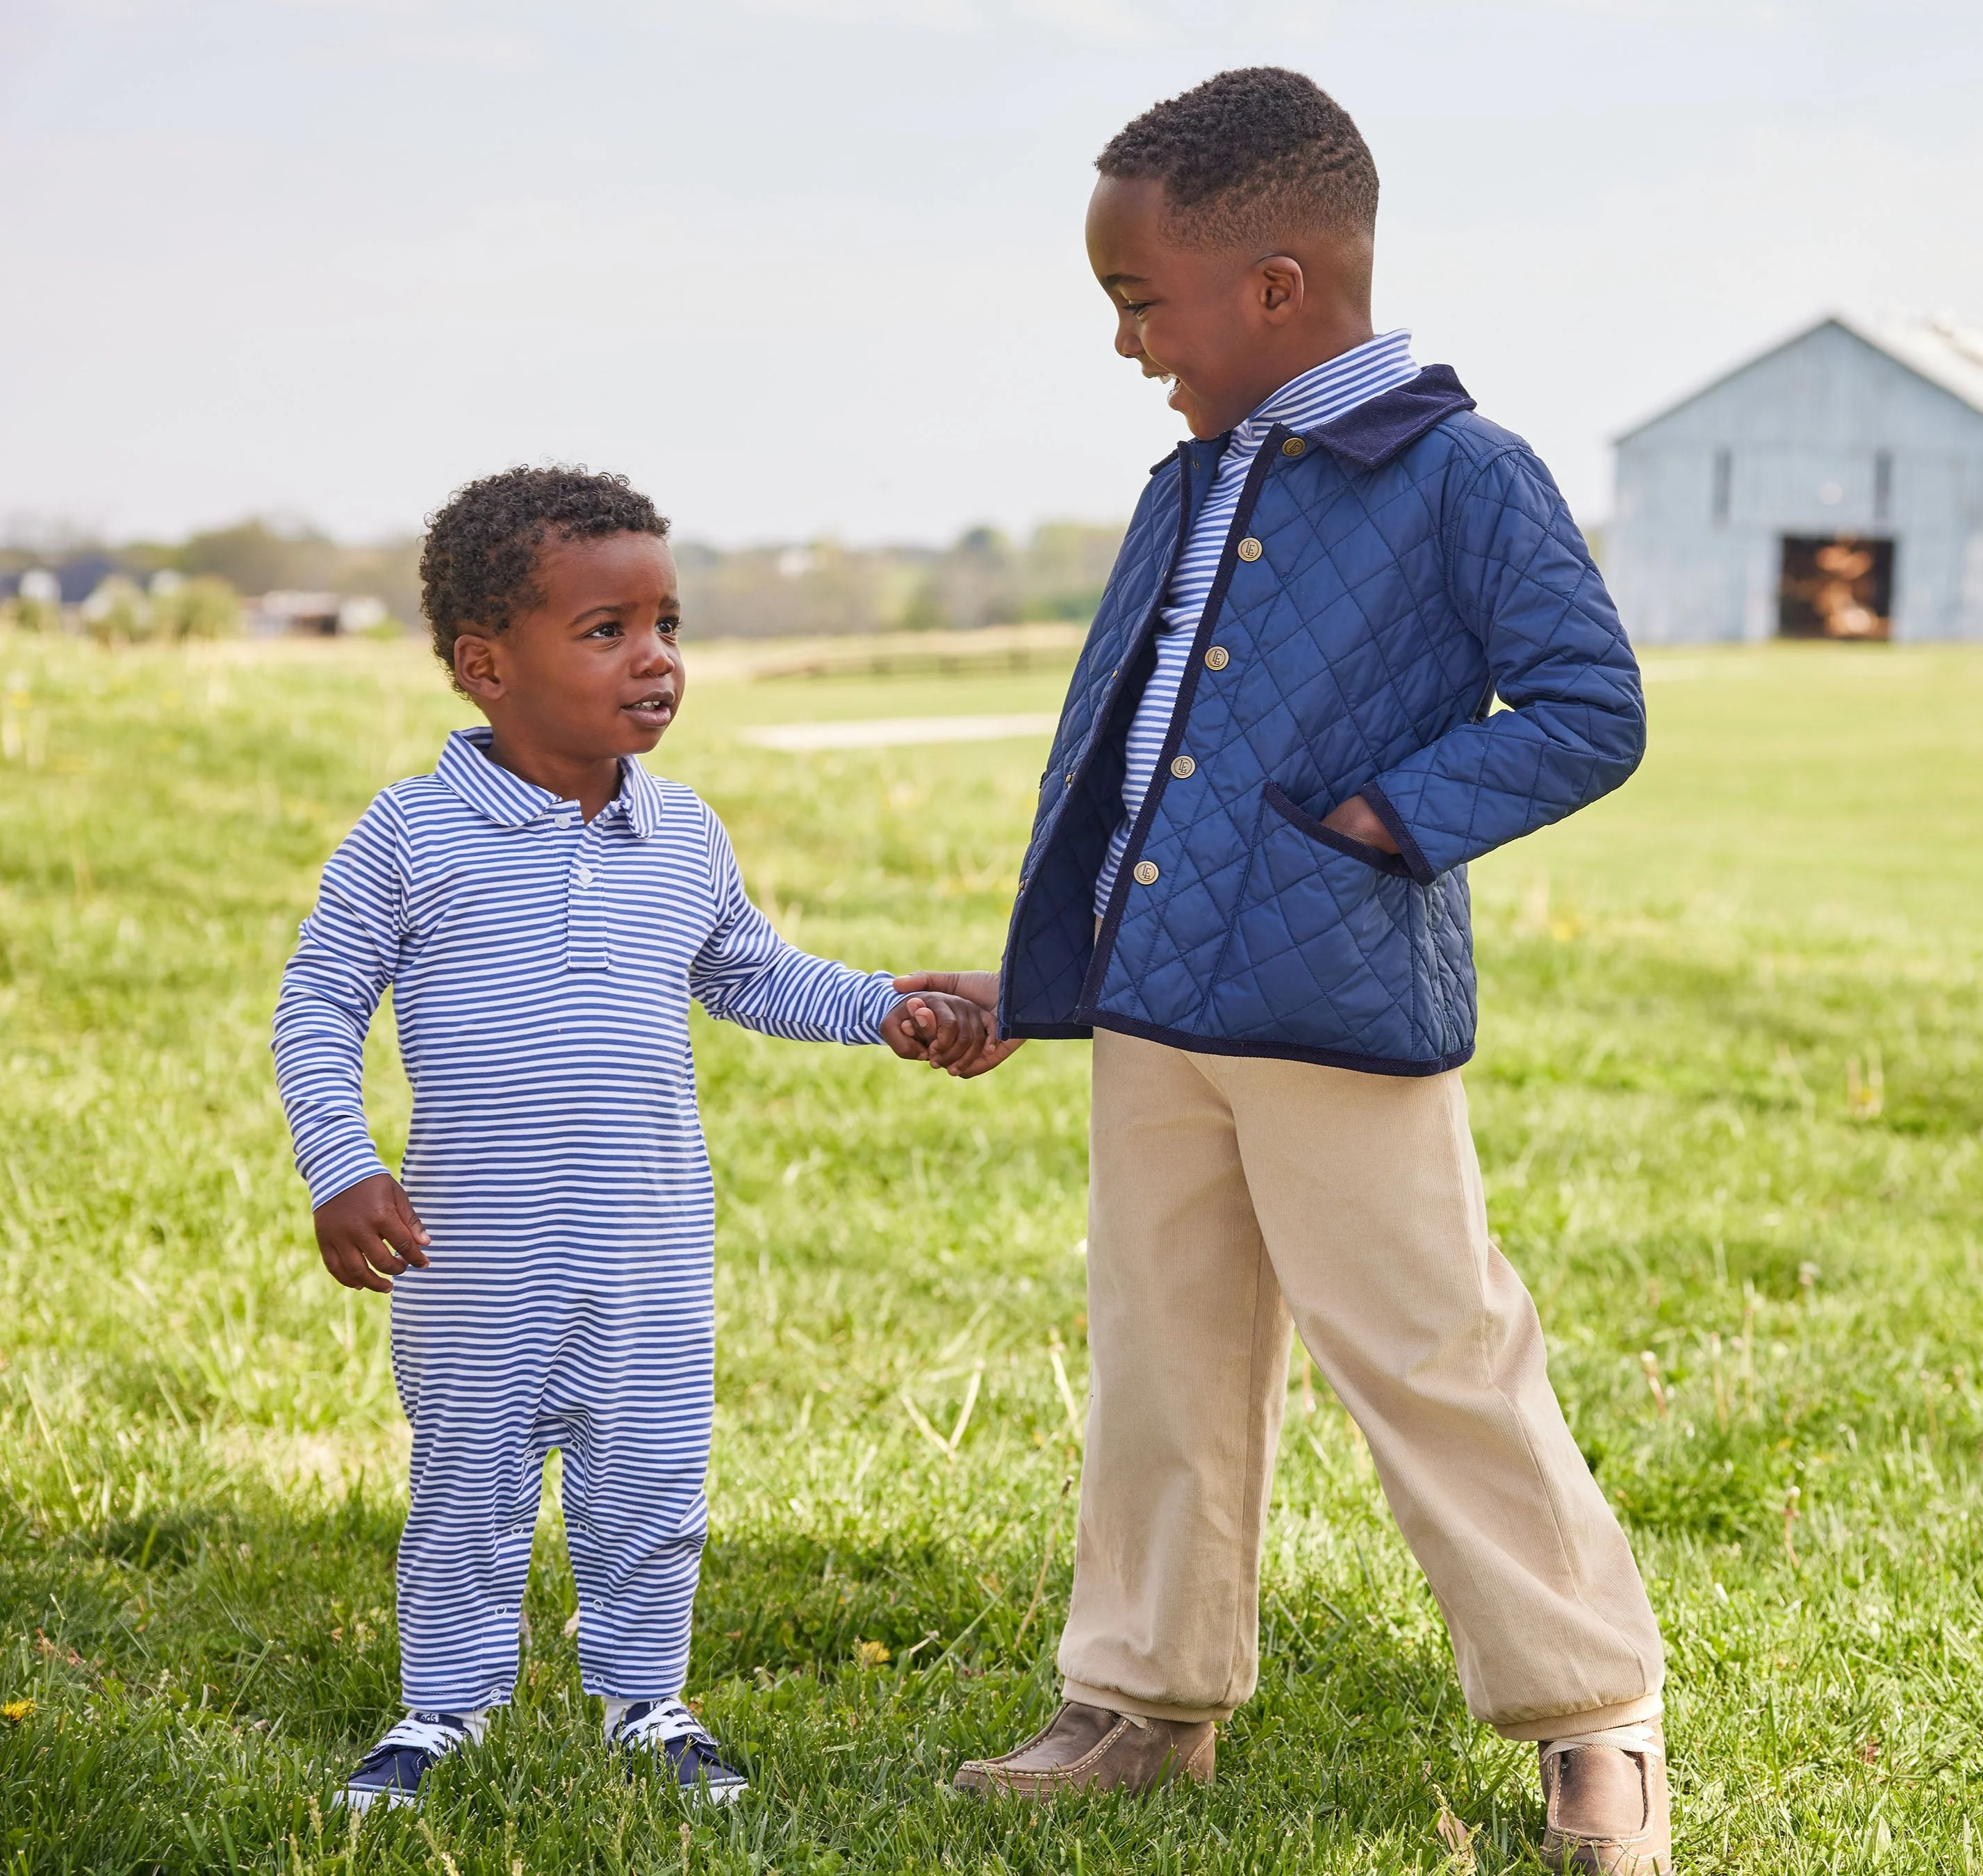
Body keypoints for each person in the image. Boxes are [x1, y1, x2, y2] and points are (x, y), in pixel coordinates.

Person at [908, 67, 1670, 1875]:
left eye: (1137, 299)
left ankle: (1592, 1717)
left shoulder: (1461, 473)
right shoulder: (1190, 478)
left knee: (1429, 1351)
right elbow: (1120, 746)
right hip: (1151, 1016)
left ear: (1272, 282)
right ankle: (1143, 1691)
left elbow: (1589, 708)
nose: (1123, 342)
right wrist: (1046, 963)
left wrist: (1385, 822)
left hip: (1338, 1010)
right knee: (1161, 1353)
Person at [272, 466, 1009, 1811]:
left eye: (666, 624)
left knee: (652, 1484)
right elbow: (318, 1002)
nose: (654, 660)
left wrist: (885, 1011)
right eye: (605, 630)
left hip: (649, 1243)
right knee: (466, 1488)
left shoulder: (680, 834)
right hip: (471, 1253)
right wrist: (342, 1164)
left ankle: (642, 1699)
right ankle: (444, 1710)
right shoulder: (411, 831)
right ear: (486, 665)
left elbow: (746, 970)